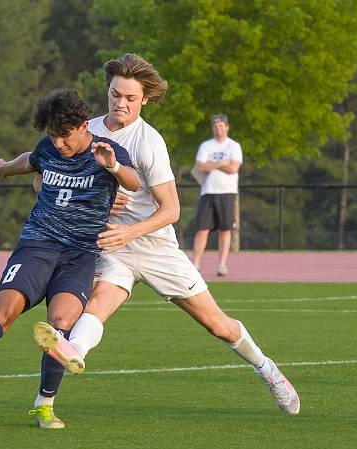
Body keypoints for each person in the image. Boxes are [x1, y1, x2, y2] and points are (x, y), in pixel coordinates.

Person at [31, 53, 299, 429]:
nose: (120, 103)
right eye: (114, 94)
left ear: (144, 100)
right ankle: (72, 354)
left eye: (129, 98)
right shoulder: (83, 130)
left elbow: (171, 209)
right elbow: (46, 174)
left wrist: (130, 228)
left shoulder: (149, 142)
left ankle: (266, 368)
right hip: (113, 246)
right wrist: (99, 211)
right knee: (97, 306)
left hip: (156, 247)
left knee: (218, 325)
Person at [0, 89, 139, 432]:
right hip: (39, 243)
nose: (58, 143)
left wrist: (115, 166)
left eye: (64, 135)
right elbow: (30, 159)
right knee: (2, 313)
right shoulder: (49, 148)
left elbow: (134, 183)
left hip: (80, 253)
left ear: (81, 126)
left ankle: (44, 405)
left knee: (60, 324)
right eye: (52, 136)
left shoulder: (107, 151)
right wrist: (4, 168)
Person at [191, 113, 243, 276]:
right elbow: (200, 167)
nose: (218, 128)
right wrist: (222, 163)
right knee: (202, 229)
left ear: (227, 127)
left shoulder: (234, 146)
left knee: (225, 229)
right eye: (215, 125)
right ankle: (196, 264)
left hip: (227, 192)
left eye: (221, 125)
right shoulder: (206, 145)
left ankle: (222, 265)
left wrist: (212, 165)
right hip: (208, 191)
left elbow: (233, 168)